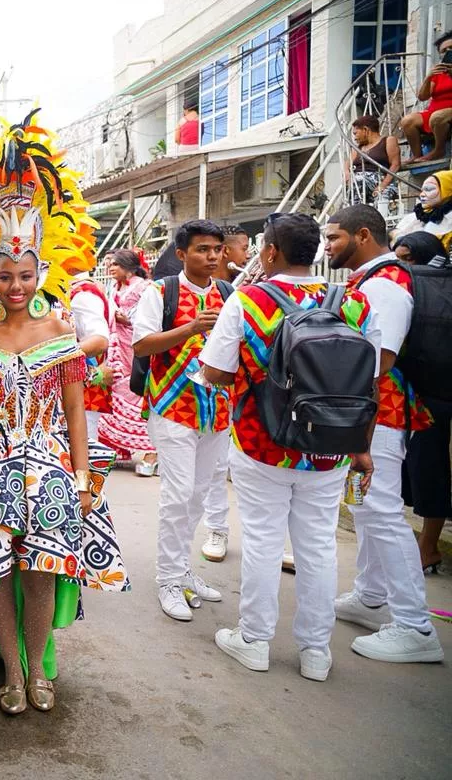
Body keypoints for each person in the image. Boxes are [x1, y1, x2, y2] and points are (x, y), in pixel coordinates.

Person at [0, 116, 128, 716]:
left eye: (25, 273)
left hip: (49, 468)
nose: (15, 284)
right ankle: (12, 675)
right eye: (4, 274)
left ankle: (40, 669)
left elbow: (73, 409)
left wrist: (80, 472)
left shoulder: (60, 331)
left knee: (42, 570)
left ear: (39, 271)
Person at [200, 212, 380, 682]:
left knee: (262, 539)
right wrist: (362, 446)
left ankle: (255, 641)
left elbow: (215, 372)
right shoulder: (354, 301)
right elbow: (369, 382)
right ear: (317, 252)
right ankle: (316, 653)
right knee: (318, 546)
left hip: (265, 441)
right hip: (331, 446)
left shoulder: (249, 300)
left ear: (270, 252)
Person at [324, 204, 444, 663]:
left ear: (363, 236)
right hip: (372, 413)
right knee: (369, 507)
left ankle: (415, 627)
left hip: (381, 415)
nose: (328, 246)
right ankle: (371, 594)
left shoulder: (387, 287)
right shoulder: (374, 282)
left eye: (335, 237)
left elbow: (381, 362)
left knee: (383, 512)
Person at [132, 220, 232, 619]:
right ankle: (168, 580)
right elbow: (141, 344)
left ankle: (183, 570)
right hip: (173, 407)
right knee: (178, 494)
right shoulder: (161, 291)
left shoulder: (229, 293)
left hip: (217, 409)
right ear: (181, 254)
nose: (212, 257)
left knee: (200, 494)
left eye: (217, 249)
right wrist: (190, 327)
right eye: (202, 250)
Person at [393, 229, 451, 573]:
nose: (399, 266)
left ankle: (428, 546)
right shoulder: (406, 289)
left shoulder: (427, 289)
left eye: (406, 259)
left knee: (430, 469)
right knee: (412, 470)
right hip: (409, 392)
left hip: (434, 395)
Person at [98, 248, 157, 474]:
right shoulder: (115, 287)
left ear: (129, 266)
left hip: (136, 348)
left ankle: (151, 452)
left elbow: (151, 316)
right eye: (109, 265)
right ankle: (119, 447)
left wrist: (128, 319)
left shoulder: (145, 287)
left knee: (137, 396)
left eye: (115, 264)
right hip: (118, 348)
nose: (110, 269)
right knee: (116, 393)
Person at [68, 270, 112, 438]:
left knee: (82, 452)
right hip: (63, 393)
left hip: (83, 390)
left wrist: (50, 359)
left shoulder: (83, 292)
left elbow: (99, 340)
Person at [398, 31, 452, 165]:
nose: (448, 52)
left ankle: (439, 150)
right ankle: (416, 155)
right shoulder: (439, 73)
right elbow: (422, 97)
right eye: (444, 50)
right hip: (434, 111)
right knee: (407, 120)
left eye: (451, 48)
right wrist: (429, 77)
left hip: (446, 112)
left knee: (437, 117)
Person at [346, 116, 401, 210]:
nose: (355, 138)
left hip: (379, 179)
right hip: (358, 182)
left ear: (365, 130)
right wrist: (347, 173)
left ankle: (356, 214)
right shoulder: (358, 148)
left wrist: (383, 185)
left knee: (358, 182)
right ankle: (356, 215)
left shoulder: (388, 141)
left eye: (356, 133)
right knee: (355, 183)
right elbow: (347, 164)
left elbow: (395, 164)